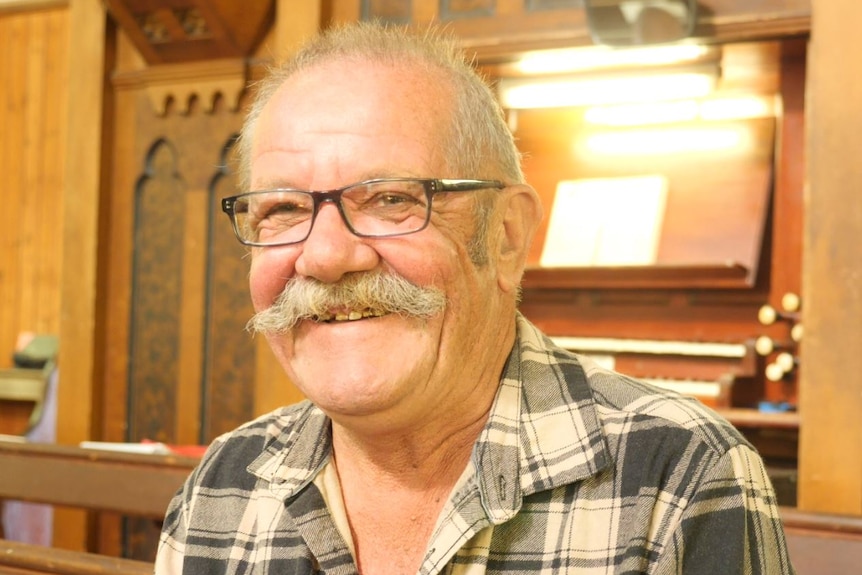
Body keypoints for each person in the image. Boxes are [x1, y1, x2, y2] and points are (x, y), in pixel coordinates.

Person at [155, 21, 795, 575]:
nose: (324, 256)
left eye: (390, 199)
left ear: (509, 237)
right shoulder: (223, 483)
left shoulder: (679, 479)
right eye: (285, 209)